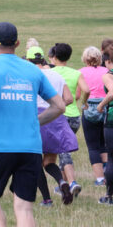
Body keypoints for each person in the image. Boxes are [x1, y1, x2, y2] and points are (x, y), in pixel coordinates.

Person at [0, 22, 65, 227]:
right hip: (30, 147)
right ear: (17, 43)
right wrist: (35, 121)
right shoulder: (32, 70)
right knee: (23, 207)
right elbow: (59, 106)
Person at [26, 46, 78, 206]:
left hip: (36, 118)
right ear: (43, 58)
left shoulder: (29, 75)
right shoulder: (56, 74)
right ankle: (62, 181)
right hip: (55, 117)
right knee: (49, 161)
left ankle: (47, 199)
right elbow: (69, 98)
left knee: (35, 161)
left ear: (28, 60)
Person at [47, 43, 87, 197]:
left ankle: (72, 183)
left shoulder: (51, 72)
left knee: (63, 152)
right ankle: (62, 185)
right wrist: (84, 101)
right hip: (75, 116)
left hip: (59, 115)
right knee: (62, 150)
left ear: (54, 56)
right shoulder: (75, 73)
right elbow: (85, 90)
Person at [78, 46, 110, 186]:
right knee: (105, 145)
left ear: (85, 58)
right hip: (104, 107)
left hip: (89, 107)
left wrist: (83, 103)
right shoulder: (107, 71)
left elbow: (79, 94)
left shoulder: (80, 72)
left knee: (92, 146)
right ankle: (108, 173)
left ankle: (99, 178)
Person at [96, 54, 113, 204]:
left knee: (111, 159)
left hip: (112, 120)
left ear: (108, 61)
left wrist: (101, 106)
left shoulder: (109, 75)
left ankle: (109, 196)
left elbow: (112, 92)